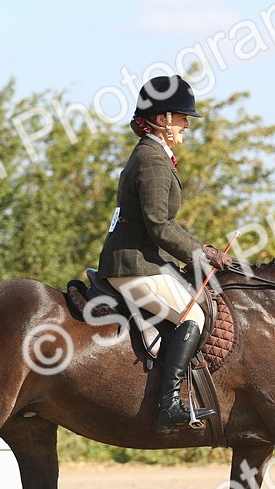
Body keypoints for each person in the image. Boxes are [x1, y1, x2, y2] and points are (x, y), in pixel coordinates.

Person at [96, 75, 234, 431]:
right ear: (161, 119)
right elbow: (159, 224)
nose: (187, 123)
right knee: (194, 316)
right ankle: (168, 403)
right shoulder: (152, 159)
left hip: (143, 260)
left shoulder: (154, 154)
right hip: (133, 265)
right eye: (181, 117)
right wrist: (200, 252)